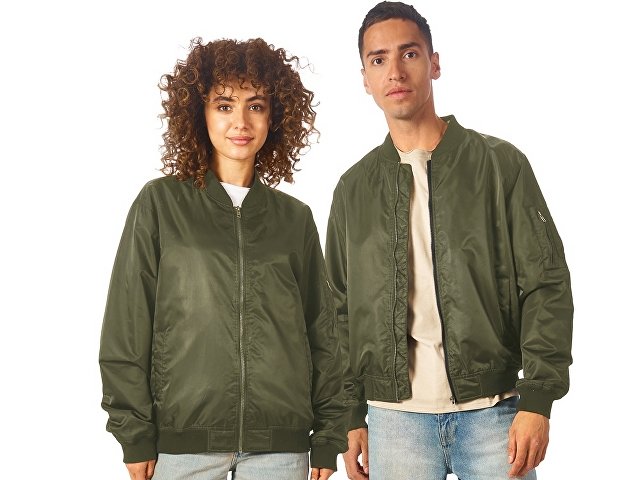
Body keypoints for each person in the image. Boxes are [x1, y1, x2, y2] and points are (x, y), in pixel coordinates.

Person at [325, 2, 573, 479]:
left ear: (434, 63)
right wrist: (349, 415)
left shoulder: (500, 165)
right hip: (394, 423)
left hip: (496, 414)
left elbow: (546, 284)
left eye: (409, 54)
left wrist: (538, 399)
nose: (395, 72)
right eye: (378, 60)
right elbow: (337, 311)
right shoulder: (353, 189)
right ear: (365, 78)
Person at [99, 37, 346, 480]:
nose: (241, 122)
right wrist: (134, 433)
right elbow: (127, 324)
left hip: (280, 446)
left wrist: (328, 437)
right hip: (183, 445)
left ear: (275, 117)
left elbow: (323, 336)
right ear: (201, 113)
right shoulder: (160, 204)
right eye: (225, 105)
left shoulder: (294, 219)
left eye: (256, 106)